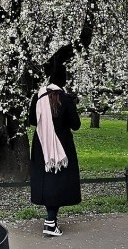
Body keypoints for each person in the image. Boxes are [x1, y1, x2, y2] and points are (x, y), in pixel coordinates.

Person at [28, 62, 81, 238]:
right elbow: (76, 125)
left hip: (41, 144)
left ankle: (51, 220)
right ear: (63, 81)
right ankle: (50, 222)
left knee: (47, 180)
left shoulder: (38, 96)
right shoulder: (65, 99)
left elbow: (32, 121)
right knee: (58, 181)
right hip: (61, 145)